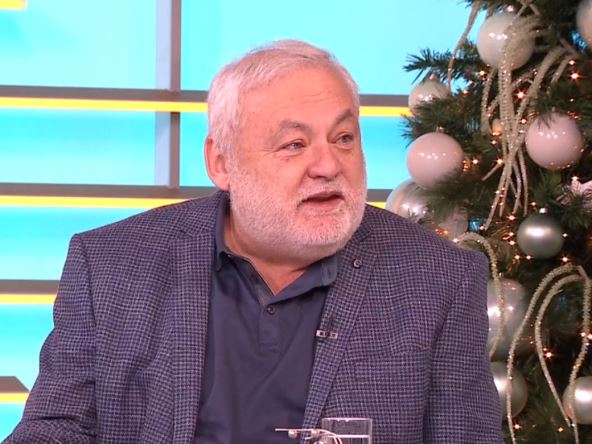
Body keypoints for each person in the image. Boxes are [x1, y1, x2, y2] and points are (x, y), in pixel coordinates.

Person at [4, 40, 502, 443]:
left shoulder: (439, 277)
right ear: (221, 163)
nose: (328, 165)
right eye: (295, 144)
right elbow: (57, 428)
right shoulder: (112, 264)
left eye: (343, 138)